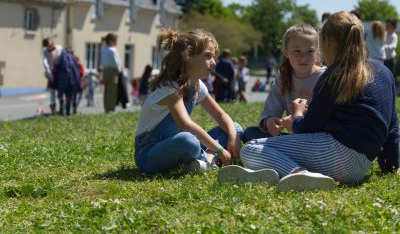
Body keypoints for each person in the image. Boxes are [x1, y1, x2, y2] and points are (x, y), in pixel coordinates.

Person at [220, 11, 399, 192]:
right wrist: (392, 166)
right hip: (362, 167)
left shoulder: (333, 75)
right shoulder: (384, 71)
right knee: (256, 136)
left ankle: (298, 173)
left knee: (250, 149)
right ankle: (297, 173)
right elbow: (392, 128)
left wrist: (297, 115)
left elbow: (309, 127)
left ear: (327, 42)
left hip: (336, 153)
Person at [134, 29, 243, 175]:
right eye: (208, 56)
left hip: (181, 145)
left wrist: (233, 136)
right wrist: (219, 149)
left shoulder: (197, 84)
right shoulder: (170, 88)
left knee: (235, 128)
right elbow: (185, 125)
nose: (214, 62)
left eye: (213, 57)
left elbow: (220, 115)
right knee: (187, 140)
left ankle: (203, 161)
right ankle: (209, 159)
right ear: (188, 57)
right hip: (149, 155)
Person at [242, 24, 326, 143]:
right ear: (286, 52)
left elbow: (327, 121)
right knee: (250, 133)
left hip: (319, 141)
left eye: (310, 51)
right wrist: (269, 122)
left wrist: (297, 119)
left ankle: (284, 152)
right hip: (295, 140)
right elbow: (268, 112)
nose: (303, 57)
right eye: (297, 51)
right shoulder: (283, 76)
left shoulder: (325, 77)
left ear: (317, 52)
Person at [100, 33, 121, 113]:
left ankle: (106, 108)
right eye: (115, 40)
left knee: (106, 91)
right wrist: (119, 71)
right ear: (111, 41)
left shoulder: (103, 49)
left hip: (105, 71)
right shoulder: (113, 50)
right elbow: (116, 62)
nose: (116, 42)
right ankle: (111, 109)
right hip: (113, 71)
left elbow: (102, 61)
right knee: (112, 91)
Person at [42, 38, 62, 115]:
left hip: (60, 72)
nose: (51, 45)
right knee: (52, 91)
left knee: (61, 91)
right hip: (52, 73)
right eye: (49, 45)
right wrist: (49, 73)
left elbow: (62, 58)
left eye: (51, 43)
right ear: (47, 46)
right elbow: (45, 63)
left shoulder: (59, 48)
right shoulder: (46, 52)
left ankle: (62, 108)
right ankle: (53, 108)